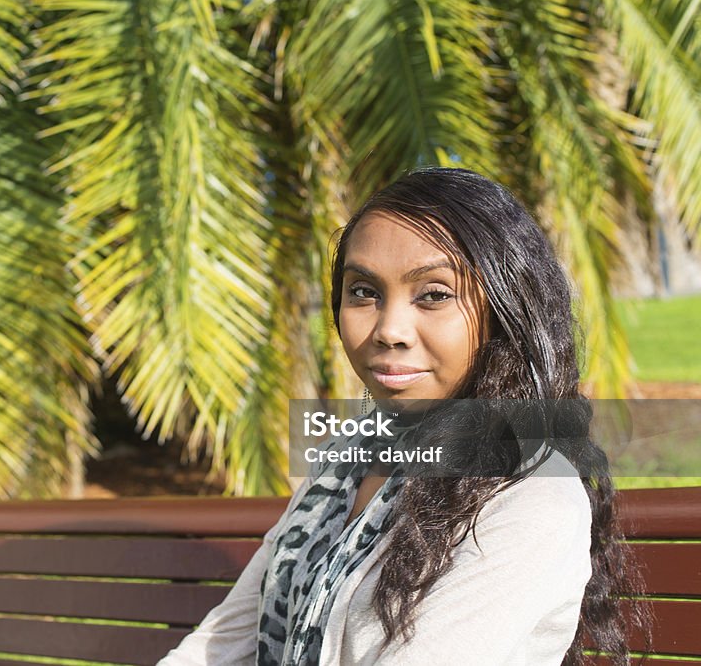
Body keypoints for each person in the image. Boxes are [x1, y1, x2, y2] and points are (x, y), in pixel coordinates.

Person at [157, 168, 647, 665]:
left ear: (507, 310)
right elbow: (223, 642)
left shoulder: (528, 496)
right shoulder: (344, 460)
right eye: (364, 292)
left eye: (434, 294)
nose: (389, 330)